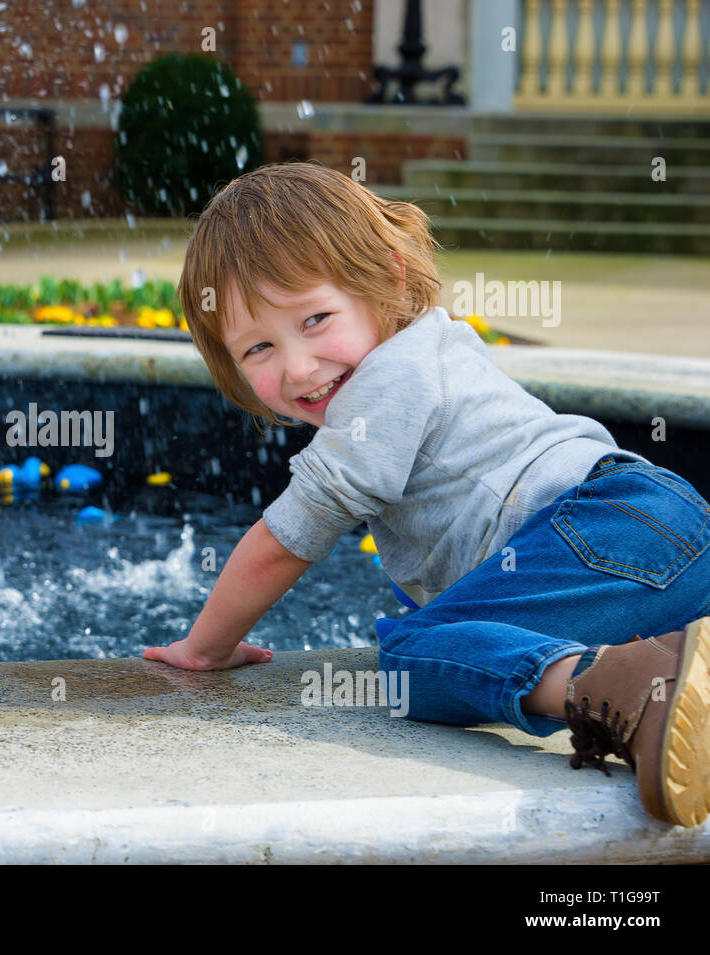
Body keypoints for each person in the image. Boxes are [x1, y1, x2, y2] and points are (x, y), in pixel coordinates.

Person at [143, 161, 710, 828]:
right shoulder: (433, 347)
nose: (298, 365)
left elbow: (286, 540)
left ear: (387, 277)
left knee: (413, 658)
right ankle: (677, 669)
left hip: (605, 530)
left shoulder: (384, 384)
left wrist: (205, 648)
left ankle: (618, 690)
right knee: (460, 630)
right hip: (660, 531)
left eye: (317, 318)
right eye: (259, 347)